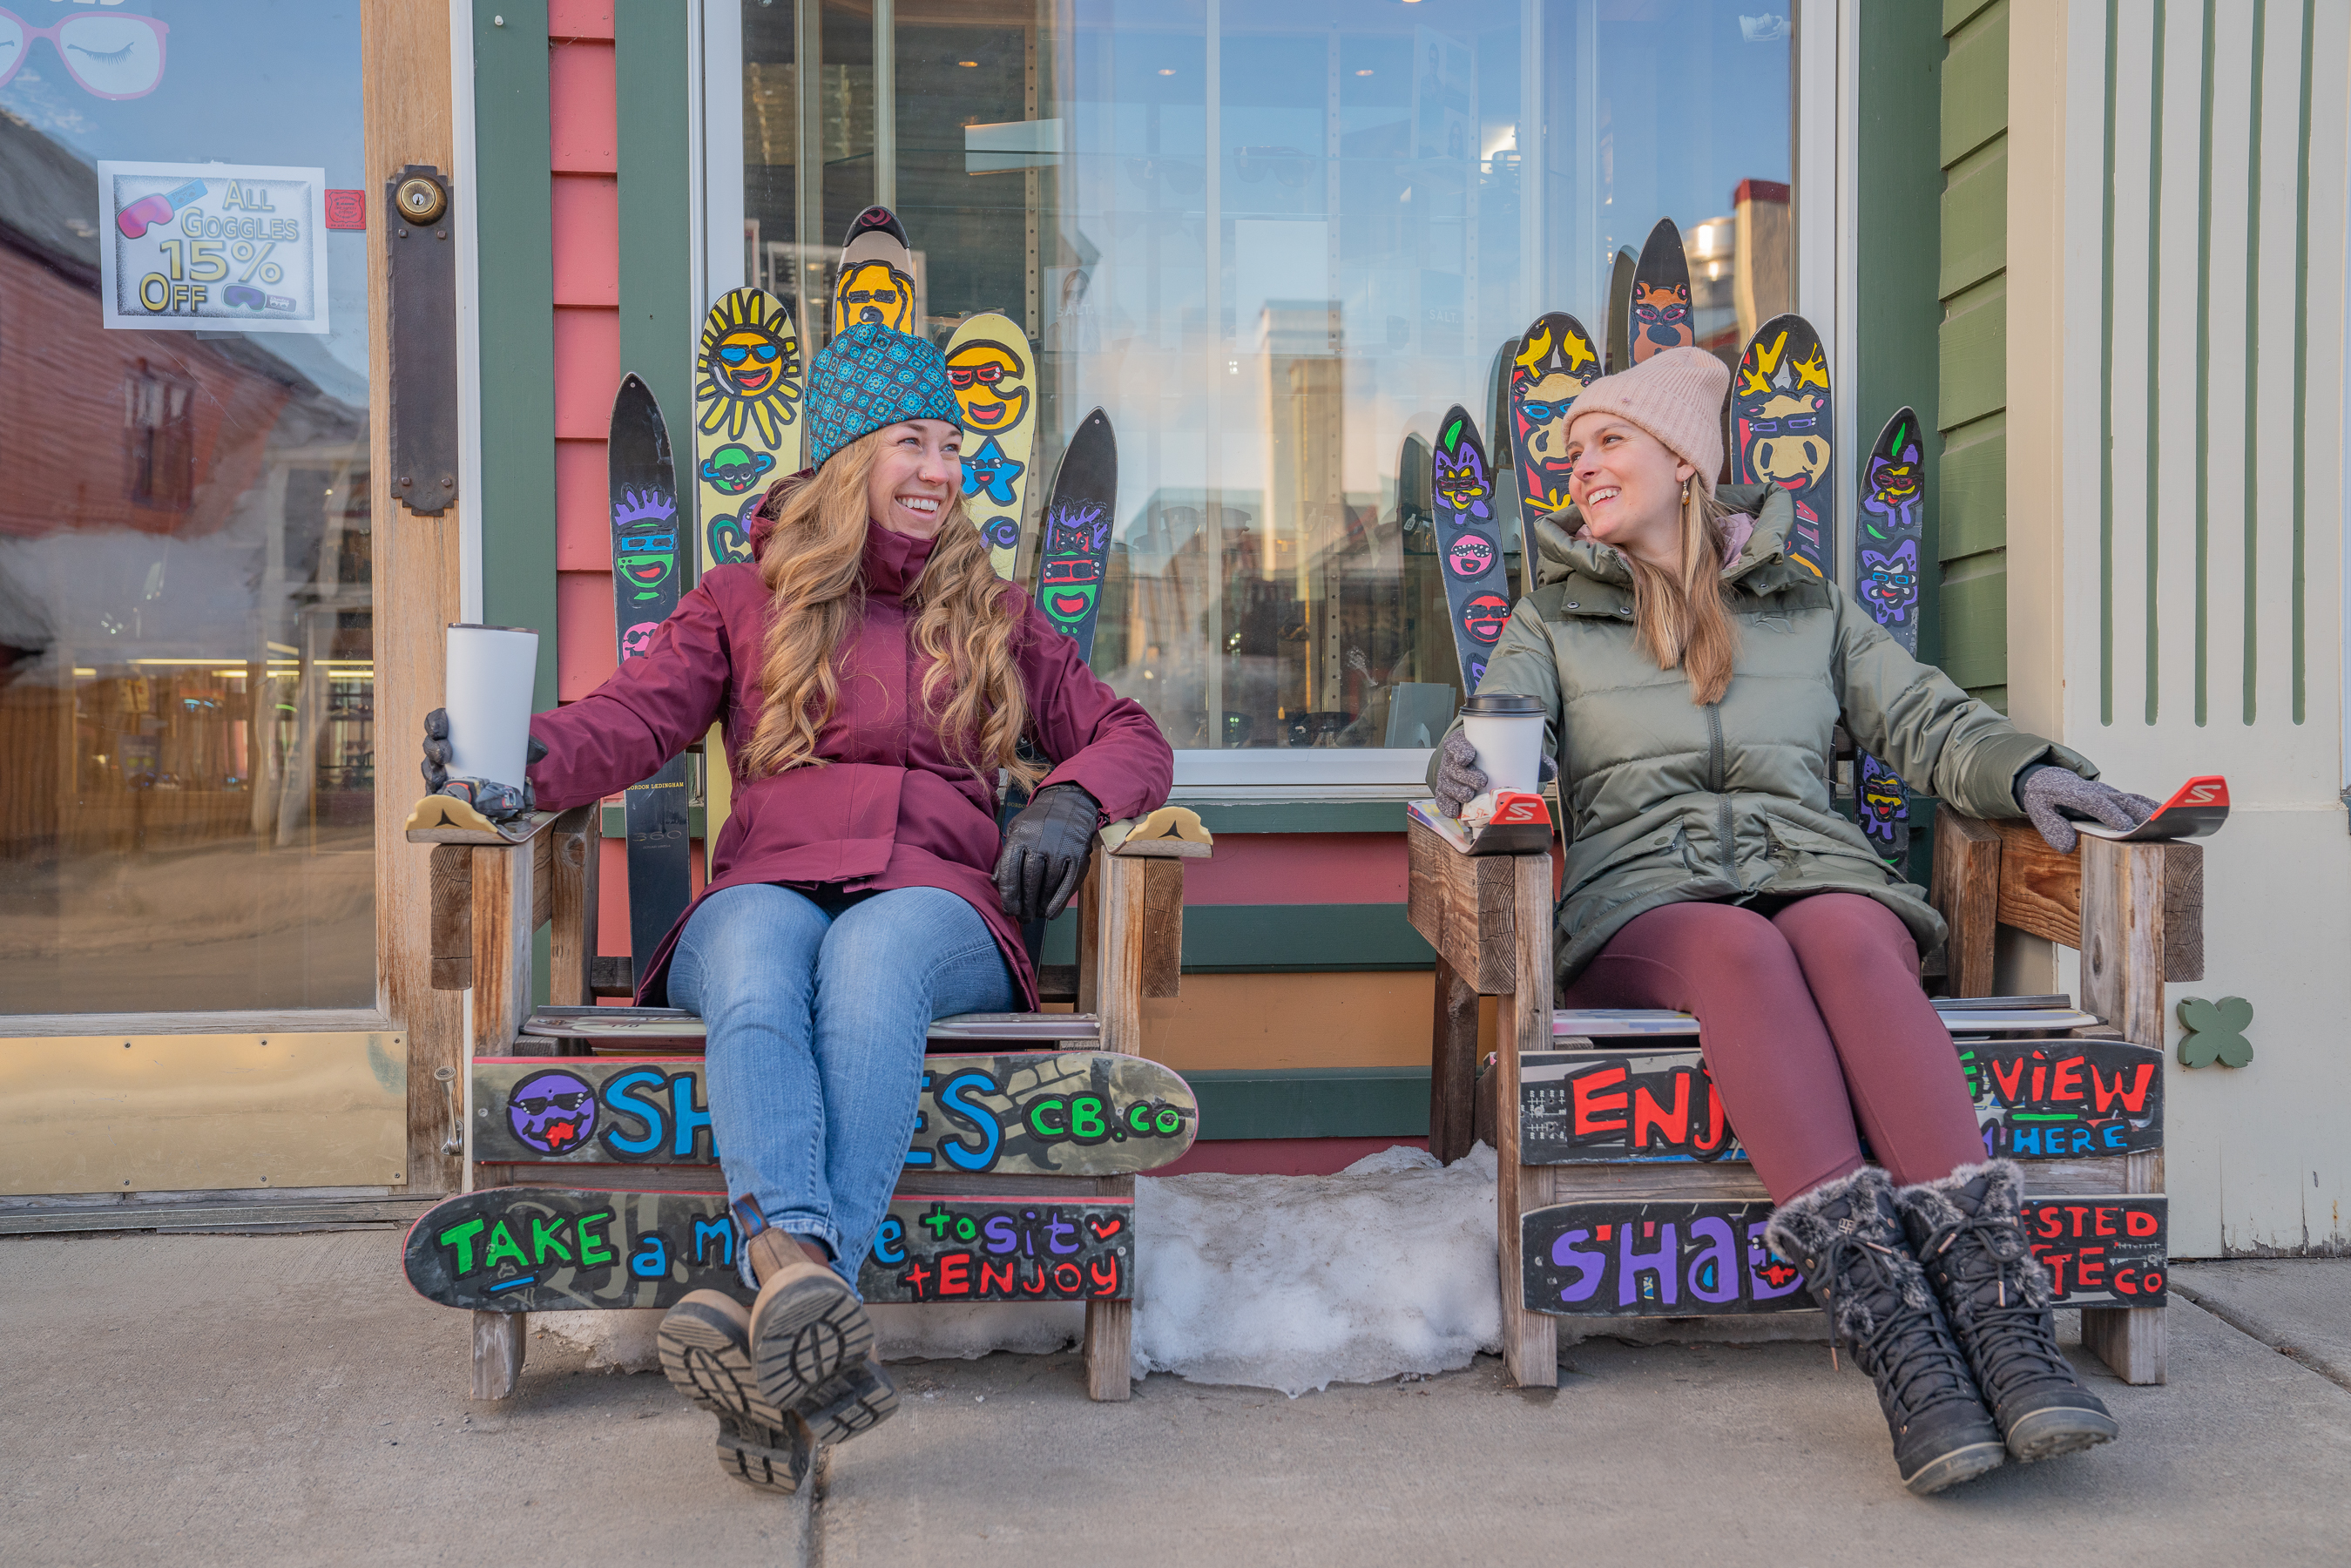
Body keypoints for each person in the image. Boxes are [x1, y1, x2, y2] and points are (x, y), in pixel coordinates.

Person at [420, 323, 1172, 1492]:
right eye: (912, 441)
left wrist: (1072, 799)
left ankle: (770, 1289)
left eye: (953, 445)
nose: (941, 467)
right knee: (762, 960)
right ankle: (798, 1323)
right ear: (845, 457)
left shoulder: (996, 615)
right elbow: (630, 721)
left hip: (935, 902)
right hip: (765, 885)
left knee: (869, 961)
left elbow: (1130, 735)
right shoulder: (740, 600)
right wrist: (515, 756)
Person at [1429, 347, 2157, 1497]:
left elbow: (1921, 715)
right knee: (1741, 947)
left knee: (1857, 935)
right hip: (1644, 901)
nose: (1580, 469)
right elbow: (1503, 732)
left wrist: (2025, 776)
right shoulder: (1553, 615)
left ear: (1683, 463)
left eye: (1608, 442)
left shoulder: (1805, 603)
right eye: (1570, 453)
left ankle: (2003, 1326)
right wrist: (1466, 766)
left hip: (1809, 864)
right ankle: (1899, 1339)